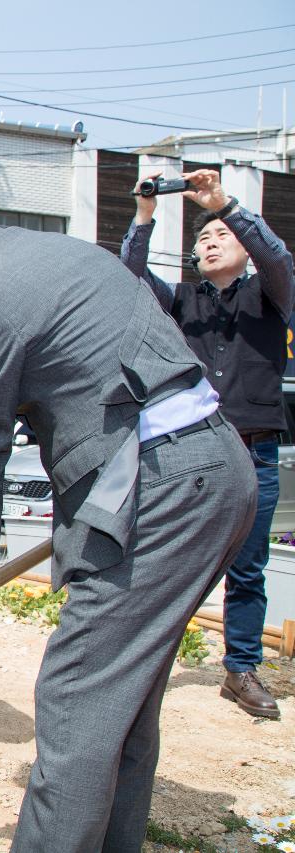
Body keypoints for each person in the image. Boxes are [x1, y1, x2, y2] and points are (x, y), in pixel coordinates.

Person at [0, 164, 255, 853]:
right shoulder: (68, 253)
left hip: (157, 488)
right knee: (120, 703)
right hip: (212, 471)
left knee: (76, 697)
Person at [121, 170, 293, 720]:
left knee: (248, 566)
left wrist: (227, 206)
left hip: (254, 448)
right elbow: (129, 278)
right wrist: (145, 217)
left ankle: (240, 668)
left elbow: (278, 260)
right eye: (202, 237)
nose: (210, 242)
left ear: (243, 245)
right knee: (169, 559)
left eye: (221, 234)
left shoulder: (271, 296)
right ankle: (149, 660)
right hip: (187, 450)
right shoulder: (181, 300)